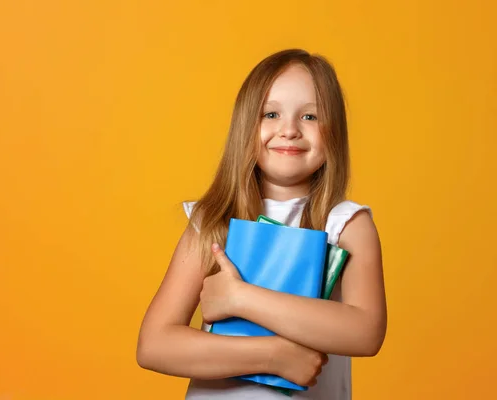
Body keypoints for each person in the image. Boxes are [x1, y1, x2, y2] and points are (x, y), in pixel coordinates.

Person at [136, 48, 387, 399]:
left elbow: (366, 332)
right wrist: (273, 357)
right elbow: (154, 345)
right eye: (271, 114)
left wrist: (241, 298)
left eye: (311, 117)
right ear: (245, 126)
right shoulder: (213, 221)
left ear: (335, 132)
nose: (289, 130)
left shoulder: (346, 224)